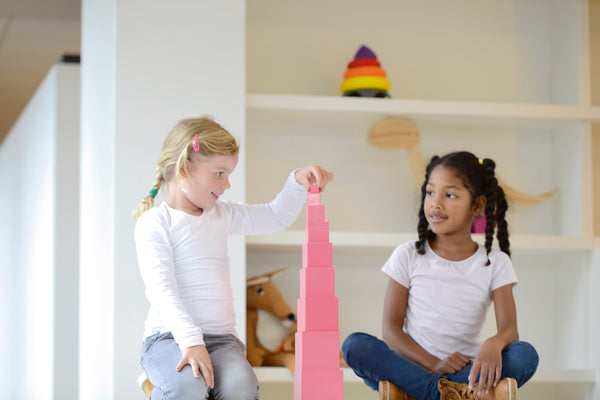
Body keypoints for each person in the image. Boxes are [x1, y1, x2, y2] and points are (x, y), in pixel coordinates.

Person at [132, 117, 333, 400]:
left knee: (241, 386)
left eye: (229, 174)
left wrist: (297, 182)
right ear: (186, 168)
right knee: (188, 386)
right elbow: (161, 290)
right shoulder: (155, 223)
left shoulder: (223, 215)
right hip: (169, 337)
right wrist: (190, 342)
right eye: (219, 173)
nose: (226, 184)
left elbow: (275, 217)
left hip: (221, 340)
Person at [342, 151, 538, 400]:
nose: (436, 203)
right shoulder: (408, 255)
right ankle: (453, 393)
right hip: (415, 367)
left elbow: (510, 329)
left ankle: (434, 392)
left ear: (477, 205)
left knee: (525, 354)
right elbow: (391, 331)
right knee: (355, 346)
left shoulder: (496, 262)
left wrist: (494, 343)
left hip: (468, 370)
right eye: (431, 192)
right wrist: (435, 364)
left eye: (451, 195)